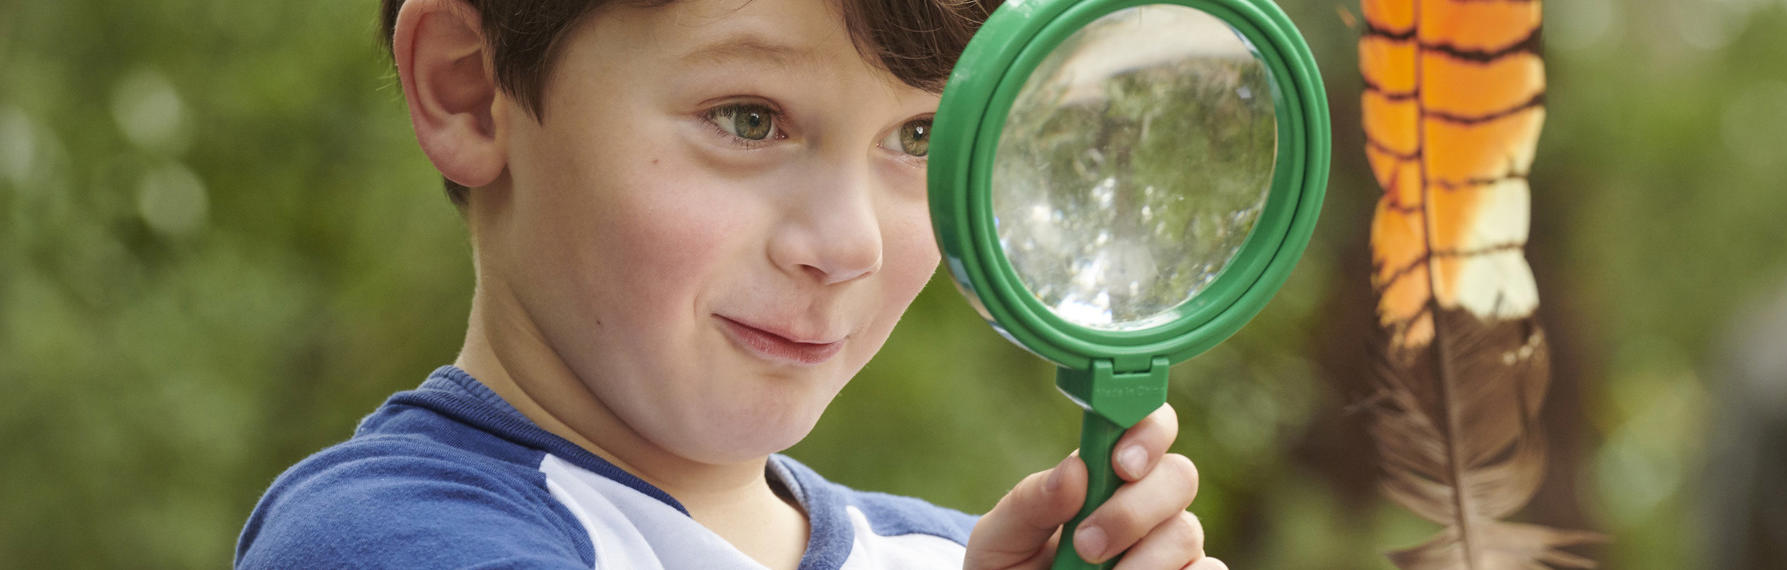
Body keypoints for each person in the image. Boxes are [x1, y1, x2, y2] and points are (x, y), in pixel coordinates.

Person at [234, 0, 1221, 568]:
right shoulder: (387, 542)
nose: (844, 246)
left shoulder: (950, 554)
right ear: (467, 89)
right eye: (750, 119)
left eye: (919, 136)